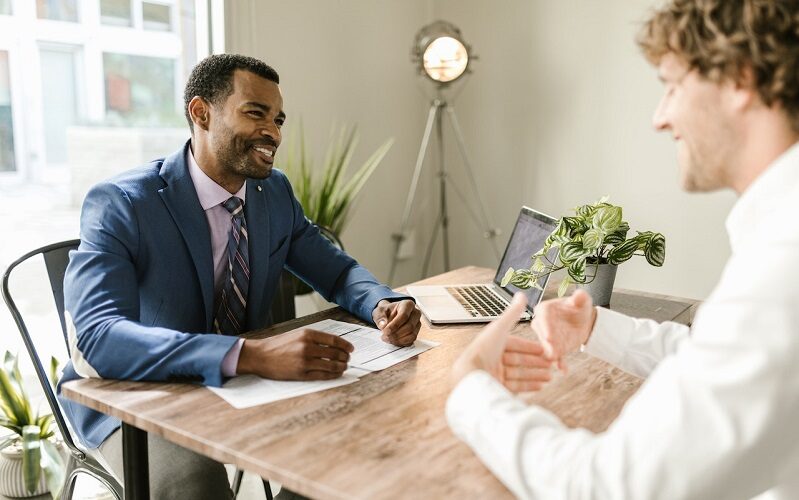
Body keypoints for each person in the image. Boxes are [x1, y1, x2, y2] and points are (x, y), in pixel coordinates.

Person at [447, 0, 799, 498]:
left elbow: (606, 487)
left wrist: (469, 390)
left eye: (672, 86)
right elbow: (723, 361)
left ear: (740, 78)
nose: (661, 117)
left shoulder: (783, 265)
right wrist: (597, 328)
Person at [59, 53, 421, 499]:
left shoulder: (274, 192)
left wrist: (381, 303)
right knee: (196, 488)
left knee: (353, 451)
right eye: (255, 113)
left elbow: (338, 271)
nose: (273, 131)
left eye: (278, 119)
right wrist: (250, 355)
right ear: (201, 113)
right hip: (141, 396)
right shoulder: (122, 203)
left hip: (247, 385)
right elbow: (99, 339)